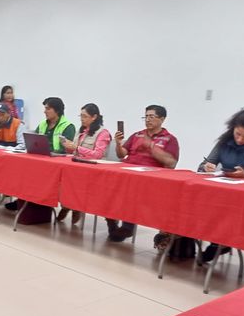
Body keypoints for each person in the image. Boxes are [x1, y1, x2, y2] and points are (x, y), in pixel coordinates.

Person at [197, 106, 244, 273]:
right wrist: (206, 167)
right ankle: (219, 243)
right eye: (237, 134)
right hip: (226, 196)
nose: (240, 139)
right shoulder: (224, 142)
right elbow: (204, 165)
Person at [107, 104, 179, 241]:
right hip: (127, 172)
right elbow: (122, 154)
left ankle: (127, 227)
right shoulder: (137, 135)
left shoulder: (170, 139)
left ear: (162, 119)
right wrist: (118, 144)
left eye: (151, 117)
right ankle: (111, 221)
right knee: (107, 184)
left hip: (148, 179)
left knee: (132, 189)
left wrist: (151, 146)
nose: (147, 120)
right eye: (145, 117)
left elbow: (171, 163)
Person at [4, 97, 75, 211]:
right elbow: (34, 140)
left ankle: (30, 202)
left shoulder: (68, 126)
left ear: (57, 110)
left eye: (48, 109)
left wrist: (48, 151)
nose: (44, 111)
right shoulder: (42, 124)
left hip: (56, 162)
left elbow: (66, 149)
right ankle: (23, 198)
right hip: (41, 159)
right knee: (22, 168)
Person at [57, 103, 111, 221]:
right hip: (76, 165)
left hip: (92, 169)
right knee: (59, 177)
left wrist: (76, 148)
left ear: (94, 117)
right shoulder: (81, 130)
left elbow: (98, 154)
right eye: (80, 116)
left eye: (85, 116)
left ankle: (73, 206)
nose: (82, 119)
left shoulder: (103, 133)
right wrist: (67, 145)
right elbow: (74, 150)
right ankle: (67, 204)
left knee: (73, 180)